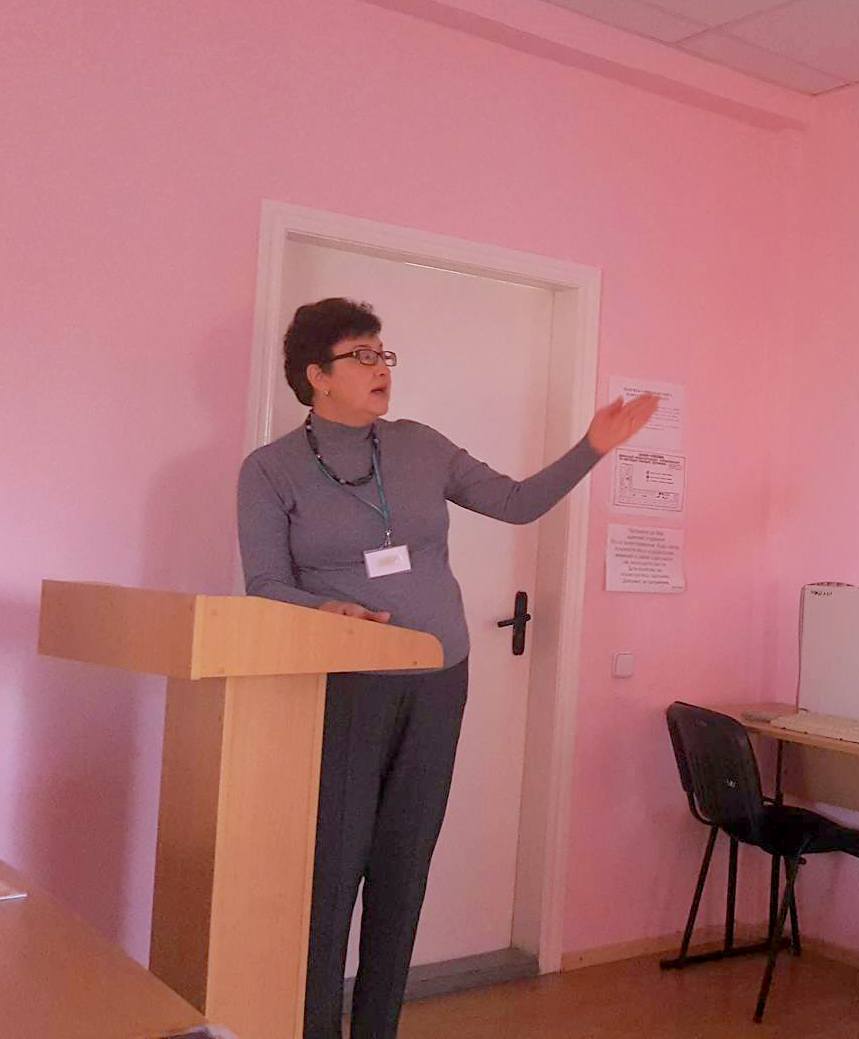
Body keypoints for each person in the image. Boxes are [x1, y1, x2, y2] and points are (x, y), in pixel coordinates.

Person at [236, 297, 656, 1038]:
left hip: (438, 682)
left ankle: (378, 1029)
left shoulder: (419, 445)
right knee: (331, 869)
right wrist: (327, 610)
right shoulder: (271, 469)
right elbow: (265, 584)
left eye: (383, 353)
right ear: (316, 376)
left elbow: (517, 502)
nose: (381, 368)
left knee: (404, 866)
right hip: (343, 689)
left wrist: (592, 446)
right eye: (362, 355)